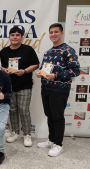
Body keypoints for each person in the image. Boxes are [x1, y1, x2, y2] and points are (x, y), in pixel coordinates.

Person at [36, 23, 80, 157]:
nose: (53, 34)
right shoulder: (47, 52)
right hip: (46, 88)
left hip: (60, 89)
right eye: (51, 32)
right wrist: (40, 73)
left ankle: (59, 144)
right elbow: (45, 68)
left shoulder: (68, 50)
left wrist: (56, 76)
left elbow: (75, 71)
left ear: (61, 33)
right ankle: (51, 139)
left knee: (58, 117)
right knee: (50, 115)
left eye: (56, 32)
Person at [0, 27, 40, 146]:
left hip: (25, 85)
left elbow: (36, 64)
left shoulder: (28, 50)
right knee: (12, 110)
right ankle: (15, 133)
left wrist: (24, 71)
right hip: (9, 87)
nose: (15, 37)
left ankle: (27, 134)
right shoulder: (3, 52)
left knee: (24, 111)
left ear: (21, 37)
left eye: (17, 35)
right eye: (12, 35)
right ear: (9, 37)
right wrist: (4, 69)